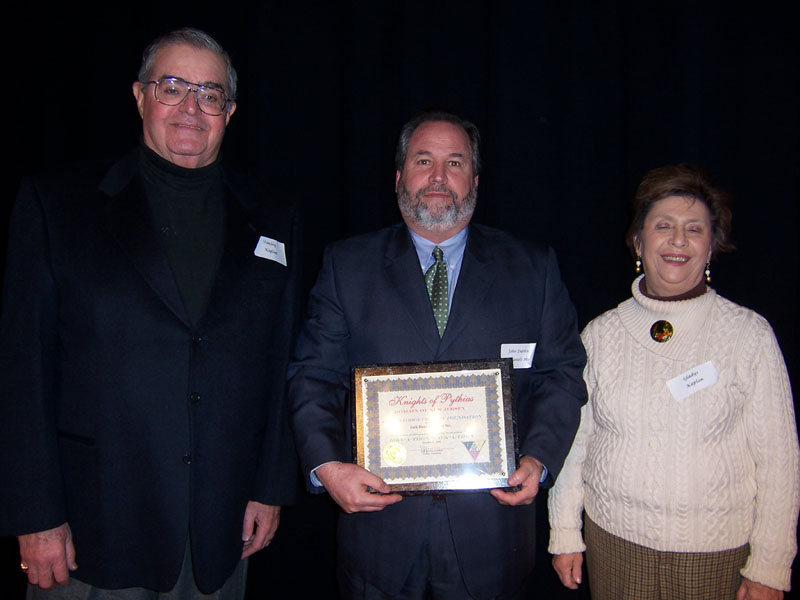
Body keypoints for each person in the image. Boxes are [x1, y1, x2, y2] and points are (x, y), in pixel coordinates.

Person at [0, 28, 300, 598]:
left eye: (210, 94)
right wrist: (34, 514)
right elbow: (22, 373)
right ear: (140, 96)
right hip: (92, 528)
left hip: (219, 528)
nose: (192, 107)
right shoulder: (56, 205)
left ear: (229, 112)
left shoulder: (273, 216)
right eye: (172, 87)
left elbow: (279, 360)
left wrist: (269, 487)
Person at [288, 109, 587, 599]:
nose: (439, 177)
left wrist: (538, 458)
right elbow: (313, 377)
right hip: (379, 536)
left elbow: (563, 373)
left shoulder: (533, 268)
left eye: (455, 163)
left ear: (475, 179)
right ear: (399, 176)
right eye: (424, 160)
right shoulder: (348, 265)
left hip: (493, 535)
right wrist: (328, 467)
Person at [548, 164, 800, 600]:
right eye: (663, 226)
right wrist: (565, 531)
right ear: (638, 241)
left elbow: (779, 461)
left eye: (694, 229)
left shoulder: (749, 335)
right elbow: (575, 442)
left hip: (717, 558)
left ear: (711, 246)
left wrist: (770, 566)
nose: (678, 241)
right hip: (615, 548)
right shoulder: (600, 335)